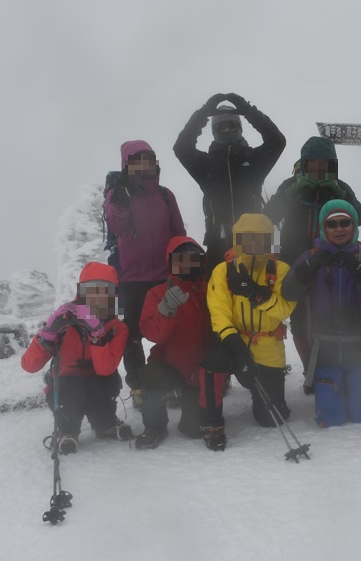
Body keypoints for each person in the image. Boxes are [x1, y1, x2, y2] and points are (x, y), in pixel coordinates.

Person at [264, 137, 361, 375]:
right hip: (294, 259)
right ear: (305, 164)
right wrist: (294, 191)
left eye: (326, 165)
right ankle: (310, 369)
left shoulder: (340, 187)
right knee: (299, 317)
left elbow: (359, 217)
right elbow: (268, 216)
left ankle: (327, 367)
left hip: (333, 261)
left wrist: (340, 193)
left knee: (329, 312)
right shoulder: (291, 185)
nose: (320, 170)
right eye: (314, 164)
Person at [282, 199, 361, 427]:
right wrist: (309, 266)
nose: (339, 228)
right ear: (323, 227)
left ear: (354, 225)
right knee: (331, 419)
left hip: (359, 349)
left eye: (345, 222)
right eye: (332, 224)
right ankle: (341, 395)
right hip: (325, 350)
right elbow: (288, 292)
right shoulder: (310, 256)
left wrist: (360, 269)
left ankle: (357, 392)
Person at [104, 140, 186, 406]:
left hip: (164, 274)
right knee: (132, 334)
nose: (144, 166)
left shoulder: (165, 195)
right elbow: (116, 227)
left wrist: (180, 265)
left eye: (148, 160)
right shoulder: (120, 195)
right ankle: (139, 387)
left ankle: (172, 381)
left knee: (171, 329)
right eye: (137, 161)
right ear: (127, 165)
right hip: (131, 276)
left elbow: (178, 232)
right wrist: (117, 203)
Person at [21, 262, 133, 454]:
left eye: (104, 290)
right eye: (91, 289)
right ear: (81, 292)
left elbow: (106, 369)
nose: (97, 296)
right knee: (71, 386)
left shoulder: (117, 328)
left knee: (102, 382)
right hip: (66, 390)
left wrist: (97, 335)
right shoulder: (64, 323)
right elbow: (29, 365)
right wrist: (47, 335)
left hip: (100, 386)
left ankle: (104, 425)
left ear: (113, 294)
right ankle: (67, 431)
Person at [205, 214, 297, 444]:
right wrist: (239, 351)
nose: (254, 243)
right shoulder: (223, 271)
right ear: (237, 240)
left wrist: (255, 292)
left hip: (268, 347)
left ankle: (262, 393)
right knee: (212, 362)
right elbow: (219, 314)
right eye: (247, 238)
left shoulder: (281, 270)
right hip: (234, 344)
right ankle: (212, 421)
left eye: (261, 237)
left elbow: (285, 310)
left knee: (271, 418)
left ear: (269, 240)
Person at [173, 92, 286, 269]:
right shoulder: (205, 165)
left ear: (239, 127)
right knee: (218, 295)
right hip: (218, 242)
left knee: (257, 295)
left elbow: (277, 141)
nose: (227, 130)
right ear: (214, 131)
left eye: (231, 125)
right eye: (221, 126)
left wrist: (248, 111)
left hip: (254, 241)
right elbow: (181, 148)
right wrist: (203, 113)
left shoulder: (254, 160)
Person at [136, 237, 227, 450]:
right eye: (181, 260)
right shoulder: (157, 293)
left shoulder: (211, 289)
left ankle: (201, 407)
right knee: (151, 376)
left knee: (194, 430)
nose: (188, 265)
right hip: (170, 364)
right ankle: (155, 427)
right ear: (171, 264)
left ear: (201, 262)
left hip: (201, 368)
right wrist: (166, 309)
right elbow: (151, 333)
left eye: (193, 260)